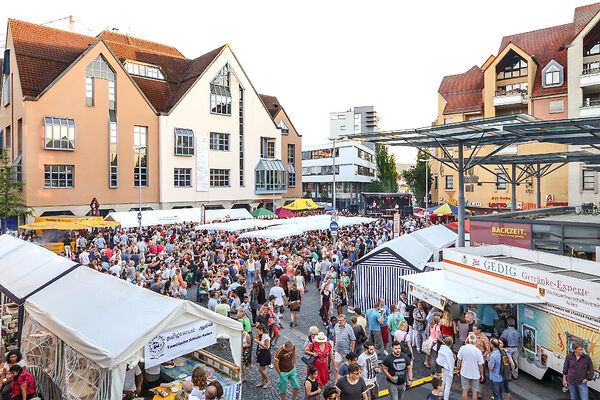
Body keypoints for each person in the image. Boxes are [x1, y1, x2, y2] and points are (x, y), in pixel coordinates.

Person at [457, 334, 484, 400]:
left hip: (464, 372)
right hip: (475, 374)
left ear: (468, 339)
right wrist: (482, 374)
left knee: (465, 390)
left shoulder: (463, 348)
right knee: (475, 392)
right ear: (475, 341)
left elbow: (459, 361)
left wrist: (458, 369)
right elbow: (480, 364)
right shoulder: (478, 351)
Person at [333, 314, 356, 382]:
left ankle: (349, 381)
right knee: (336, 368)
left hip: (346, 351)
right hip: (338, 350)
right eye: (339, 320)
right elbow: (334, 336)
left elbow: (353, 339)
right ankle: (336, 382)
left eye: (341, 320)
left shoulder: (349, 328)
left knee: (349, 367)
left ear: (345, 320)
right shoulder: (336, 326)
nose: (339, 322)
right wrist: (334, 346)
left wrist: (352, 350)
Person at [255, 323, 271, 388]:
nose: (257, 332)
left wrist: (258, 342)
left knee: (261, 369)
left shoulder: (266, 337)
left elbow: (267, 347)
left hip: (265, 353)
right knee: (263, 368)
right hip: (262, 352)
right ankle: (262, 382)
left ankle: (267, 381)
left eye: (258, 331)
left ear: (261, 330)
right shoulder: (262, 335)